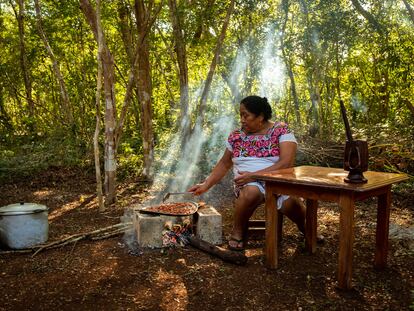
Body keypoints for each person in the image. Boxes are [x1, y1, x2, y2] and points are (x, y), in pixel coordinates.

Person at [188, 95, 306, 251]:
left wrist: (255, 175)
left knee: (291, 204)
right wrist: (206, 184)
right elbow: (224, 163)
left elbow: (286, 163)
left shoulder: (281, 130)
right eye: (240, 115)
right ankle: (238, 230)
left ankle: (307, 228)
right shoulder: (236, 136)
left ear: (261, 117)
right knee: (251, 192)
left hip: (279, 179)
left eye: (246, 115)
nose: (242, 120)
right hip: (248, 183)